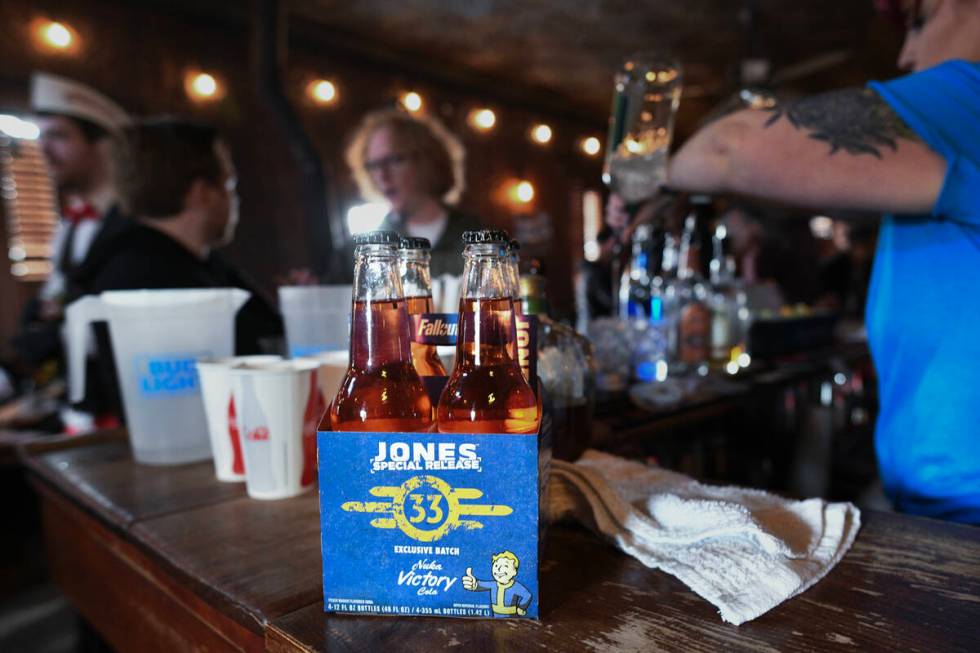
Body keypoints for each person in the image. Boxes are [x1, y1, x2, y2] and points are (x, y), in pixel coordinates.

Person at [663, 0, 980, 523]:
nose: (905, 54)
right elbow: (828, 188)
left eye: (920, 21)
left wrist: (651, 174)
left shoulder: (968, 97)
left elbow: (726, 148)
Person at [70, 118, 283, 417]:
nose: (236, 198)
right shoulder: (137, 274)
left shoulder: (202, 263)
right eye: (229, 183)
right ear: (201, 192)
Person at [13, 74, 130, 374]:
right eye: (41, 138)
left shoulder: (130, 225)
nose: (44, 151)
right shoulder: (70, 225)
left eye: (59, 136)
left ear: (100, 144)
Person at [345, 109, 484, 277]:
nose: (381, 175)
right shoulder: (365, 248)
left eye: (393, 160)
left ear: (427, 161)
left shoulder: (476, 237)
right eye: (374, 166)